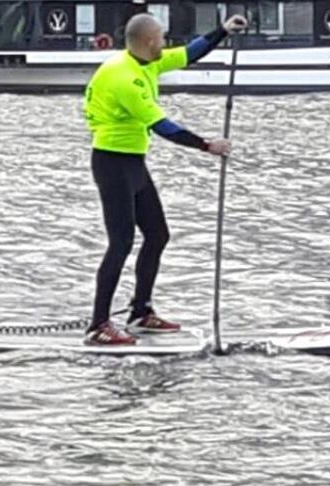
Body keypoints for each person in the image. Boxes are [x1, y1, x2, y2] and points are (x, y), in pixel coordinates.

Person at [81, 13, 247, 346]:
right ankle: (98, 325)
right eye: (162, 37)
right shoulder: (123, 77)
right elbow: (162, 126)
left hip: (133, 163)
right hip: (111, 164)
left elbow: (189, 53)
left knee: (157, 235)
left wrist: (223, 32)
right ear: (148, 42)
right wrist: (207, 145)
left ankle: (140, 313)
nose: (166, 42)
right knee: (121, 243)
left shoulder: (147, 62)